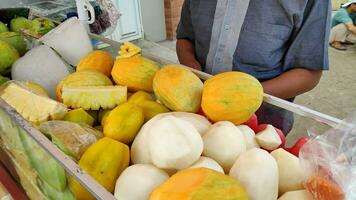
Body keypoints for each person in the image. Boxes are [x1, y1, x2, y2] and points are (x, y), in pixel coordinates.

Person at [176, 0, 331, 134]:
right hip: (196, 108)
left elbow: (308, 72)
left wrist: (246, 96)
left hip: (262, 121)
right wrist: (191, 69)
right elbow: (185, 38)